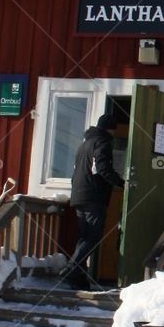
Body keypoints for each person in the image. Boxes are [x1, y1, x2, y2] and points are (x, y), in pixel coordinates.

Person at [60, 112, 125, 288]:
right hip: (93, 197)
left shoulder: (84, 145)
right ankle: (71, 268)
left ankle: (77, 279)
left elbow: (78, 172)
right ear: (110, 129)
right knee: (93, 236)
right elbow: (103, 168)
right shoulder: (102, 142)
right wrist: (121, 183)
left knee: (84, 237)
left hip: (79, 195)